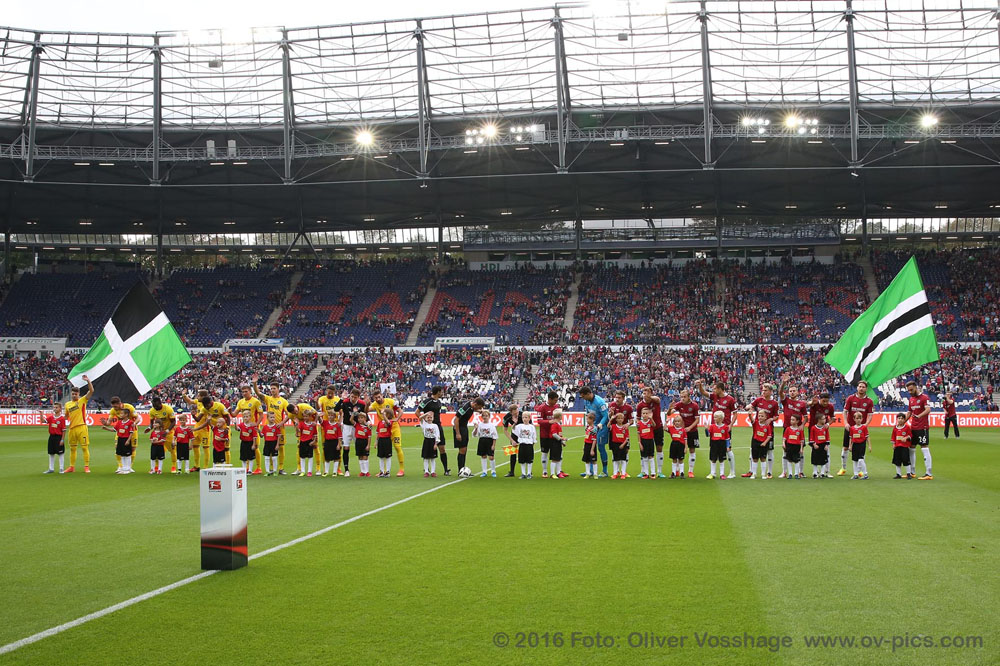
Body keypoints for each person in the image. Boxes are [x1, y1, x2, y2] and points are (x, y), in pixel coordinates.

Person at [697, 380, 738, 479]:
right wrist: (700, 385)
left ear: (720, 389)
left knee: (728, 449)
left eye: (715, 388)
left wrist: (731, 425)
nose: (713, 390)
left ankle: (732, 472)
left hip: (725, 428)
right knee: (714, 449)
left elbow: (735, 413)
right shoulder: (714, 396)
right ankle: (713, 472)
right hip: (714, 428)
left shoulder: (730, 399)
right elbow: (703, 392)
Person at [252, 376, 291, 474]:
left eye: (274, 388)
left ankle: (281, 468)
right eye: (271, 388)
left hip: (279, 427)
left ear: (278, 389)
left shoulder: (283, 401)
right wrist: (255, 383)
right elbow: (258, 393)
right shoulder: (268, 399)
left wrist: (282, 423)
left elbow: (289, 414)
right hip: (268, 428)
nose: (272, 390)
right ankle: (271, 468)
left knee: (281, 447)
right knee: (269, 447)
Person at [744, 384, 779, 478]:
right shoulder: (759, 400)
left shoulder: (774, 403)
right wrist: (748, 407)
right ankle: (751, 471)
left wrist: (771, 419)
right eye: (763, 390)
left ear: (770, 391)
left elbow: (777, 416)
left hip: (768, 430)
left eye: (765, 390)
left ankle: (769, 472)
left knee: (769, 451)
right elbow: (750, 406)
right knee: (753, 450)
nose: (763, 392)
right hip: (757, 429)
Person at [840, 381, 873, 476]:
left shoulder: (869, 401)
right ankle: (843, 468)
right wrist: (846, 423)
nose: (861, 388)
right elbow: (845, 411)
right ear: (857, 387)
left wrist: (865, 425)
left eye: (863, 387)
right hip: (850, 427)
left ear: (866, 389)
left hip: (861, 429)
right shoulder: (850, 398)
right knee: (846, 447)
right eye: (860, 386)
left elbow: (870, 415)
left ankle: (860, 470)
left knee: (860, 449)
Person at [778, 376, 808, 479]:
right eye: (790, 391)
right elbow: (780, 392)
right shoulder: (786, 401)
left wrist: (802, 425)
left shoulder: (802, 404)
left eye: (794, 391)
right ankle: (784, 472)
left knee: (800, 451)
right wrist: (783, 383)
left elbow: (805, 417)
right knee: (785, 451)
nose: (792, 392)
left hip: (798, 431)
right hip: (787, 429)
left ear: (798, 392)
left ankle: (800, 472)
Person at [370, 388, 404, 477]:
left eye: (379, 397)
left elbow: (400, 411)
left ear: (382, 395)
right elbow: (367, 410)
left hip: (394, 428)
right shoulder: (374, 404)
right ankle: (383, 471)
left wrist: (397, 419)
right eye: (376, 398)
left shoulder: (390, 401)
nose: (378, 399)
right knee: (383, 450)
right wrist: (366, 403)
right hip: (384, 429)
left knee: (397, 447)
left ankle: (401, 469)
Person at [64, 374, 94, 474]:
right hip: (72, 429)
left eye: (75, 394)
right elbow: (66, 416)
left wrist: (88, 381)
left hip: (82, 427)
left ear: (78, 394)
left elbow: (91, 391)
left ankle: (86, 467)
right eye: (73, 394)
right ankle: (71, 467)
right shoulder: (67, 404)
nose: (74, 395)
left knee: (84, 447)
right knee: (72, 449)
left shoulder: (82, 400)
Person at [669, 389, 700, 478]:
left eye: (684, 397)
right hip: (681, 431)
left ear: (689, 397)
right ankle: (677, 470)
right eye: (681, 397)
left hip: (693, 431)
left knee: (692, 450)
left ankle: (690, 471)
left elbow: (697, 420)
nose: (682, 398)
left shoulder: (694, 406)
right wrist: (669, 409)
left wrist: (690, 428)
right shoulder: (679, 404)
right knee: (678, 451)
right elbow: (670, 413)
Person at [579, 387, 610, 477]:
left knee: (600, 446)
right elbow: (589, 413)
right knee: (589, 445)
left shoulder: (600, 402)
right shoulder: (586, 401)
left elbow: (605, 416)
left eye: (583, 396)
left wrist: (600, 424)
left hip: (602, 427)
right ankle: (590, 470)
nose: (583, 398)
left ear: (588, 394)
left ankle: (605, 471)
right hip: (593, 427)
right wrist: (589, 424)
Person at [906, 380, 933, 480]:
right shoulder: (911, 399)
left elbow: (928, 409)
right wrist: (902, 422)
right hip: (913, 427)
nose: (910, 392)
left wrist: (919, 416)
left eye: (911, 390)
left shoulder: (924, 397)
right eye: (908, 390)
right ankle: (912, 472)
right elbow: (909, 412)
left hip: (922, 427)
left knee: (924, 447)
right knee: (911, 448)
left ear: (916, 387)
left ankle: (928, 473)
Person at [233, 385, 264, 475]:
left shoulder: (256, 401)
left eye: (246, 391)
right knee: (246, 449)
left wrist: (256, 424)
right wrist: (230, 411)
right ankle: (247, 468)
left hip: (253, 429)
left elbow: (261, 415)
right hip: (245, 428)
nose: (244, 393)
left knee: (255, 447)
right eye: (243, 392)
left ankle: (258, 468)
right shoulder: (240, 402)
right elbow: (234, 414)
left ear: (250, 391)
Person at [452, 395, 486, 476]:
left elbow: (474, 409)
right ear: (475, 404)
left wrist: (479, 411)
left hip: (464, 427)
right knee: (462, 449)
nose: (479, 409)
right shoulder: (465, 408)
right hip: (459, 428)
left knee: (464, 449)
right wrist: (458, 433)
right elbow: (456, 419)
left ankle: (462, 470)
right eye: (479, 407)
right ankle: (460, 471)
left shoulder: (471, 407)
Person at [416, 386, 445, 476]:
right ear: (438, 392)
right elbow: (417, 412)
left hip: (438, 426)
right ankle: (427, 470)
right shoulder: (426, 401)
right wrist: (425, 421)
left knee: (442, 448)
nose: (442, 393)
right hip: (429, 429)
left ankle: (445, 469)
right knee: (428, 450)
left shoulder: (439, 402)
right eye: (441, 392)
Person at [636, 386, 664, 477]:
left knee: (659, 448)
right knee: (643, 450)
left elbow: (658, 399)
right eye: (644, 393)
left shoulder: (655, 401)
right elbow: (638, 418)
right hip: (646, 430)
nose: (645, 395)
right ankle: (643, 471)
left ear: (651, 394)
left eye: (647, 393)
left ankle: (659, 471)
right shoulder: (640, 405)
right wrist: (638, 424)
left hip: (657, 427)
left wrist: (649, 396)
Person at [106, 396, 139, 473]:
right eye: (113, 406)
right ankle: (120, 466)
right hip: (121, 431)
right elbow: (109, 422)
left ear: (120, 403)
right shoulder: (113, 410)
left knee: (133, 448)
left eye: (115, 406)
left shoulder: (129, 407)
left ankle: (129, 467)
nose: (114, 408)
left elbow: (138, 418)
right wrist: (105, 423)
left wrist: (134, 424)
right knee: (117, 447)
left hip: (132, 431)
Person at [338, 389, 366, 476]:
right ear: (350, 395)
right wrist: (341, 399)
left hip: (356, 426)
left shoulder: (362, 403)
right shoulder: (345, 402)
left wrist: (367, 422)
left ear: (358, 397)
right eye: (352, 396)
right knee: (346, 448)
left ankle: (363, 471)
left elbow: (365, 414)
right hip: (346, 426)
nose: (353, 399)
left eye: (355, 397)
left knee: (359, 447)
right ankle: (346, 470)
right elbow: (336, 409)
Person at [147, 394, 177, 473]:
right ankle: (156, 467)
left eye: (156, 406)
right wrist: (149, 428)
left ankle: (174, 466)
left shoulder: (168, 409)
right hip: (159, 433)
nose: (155, 408)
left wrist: (167, 431)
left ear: (160, 403)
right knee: (157, 449)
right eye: (154, 406)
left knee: (172, 449)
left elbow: (173, 422)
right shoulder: (152, 410)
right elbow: (151, 422)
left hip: (169, 432)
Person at [316, 384, 341, 478]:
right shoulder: (322, 399)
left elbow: (341, 412)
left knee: (338, 449)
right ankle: (325, 470)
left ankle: (338, 469)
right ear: (326, 391)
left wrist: (340, 421)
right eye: (329, 392)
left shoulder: (337, 399)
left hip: (335, 426)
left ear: (334, 392)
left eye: (332, 393)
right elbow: (318, 406)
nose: (330, 394)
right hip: (325, 426)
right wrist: (316, 402)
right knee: (325, 449)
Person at [535, 391, 561, 478]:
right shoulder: (541, 408)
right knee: (544, 452)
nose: (556, 402)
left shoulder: (556, 407)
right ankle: (545, 471)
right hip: (545, 435)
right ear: (549, 399)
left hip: (554, 434)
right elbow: (539, 421)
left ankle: (558, 471)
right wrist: (549, 421)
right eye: (555, 400)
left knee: (557, 453)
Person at [748, 409, 774, 480]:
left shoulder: (767, 426)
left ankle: (763, 474)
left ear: (766, 417)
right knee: (755, 458)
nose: (760, 417)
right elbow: (751, 419)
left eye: (762, 416)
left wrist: (765, 442)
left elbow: (769, 436)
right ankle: (754, 473)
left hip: (764, 443)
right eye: (759, 416)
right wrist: (749, 414)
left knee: (763, 458)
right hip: (755, 442)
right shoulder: (756, 423)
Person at [473, 408, 499, 478]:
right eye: (483, 416)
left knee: (491, 457)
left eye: (486, 416)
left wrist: (493, 445)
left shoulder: (492, 425)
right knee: (483, 456)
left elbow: (494, 436)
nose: (485, 417)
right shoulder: (480, 425)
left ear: (489, 416)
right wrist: (475, 428)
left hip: (489, 441)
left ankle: (493, 471)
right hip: (482, 441)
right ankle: (484, 471)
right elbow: (475, 434)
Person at [706, 410, 730, 480]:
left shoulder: (725, 427)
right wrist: (706, 429)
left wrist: (728, 446)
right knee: (713, 459)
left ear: (720, 419)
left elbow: (727, 438)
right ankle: (712, 473)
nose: (714, 419)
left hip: (722, 444)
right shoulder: (712, 426)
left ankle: (722, 474)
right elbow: (708, 435)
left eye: (716, 417)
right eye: (714, 417)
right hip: (714, 444)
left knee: (721, 459)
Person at [512, 411, 537, 479]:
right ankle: (523, 473)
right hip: (522, 445)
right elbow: (513, 429)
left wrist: (533, 443)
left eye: (526, 417)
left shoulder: (532, 427)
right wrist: (514, 423)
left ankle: (529, 473)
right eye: (523, 417)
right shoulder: (519, 426)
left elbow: (534, 436)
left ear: (529, 418)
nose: (524, 419)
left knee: (529, 460)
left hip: (529, 445)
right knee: (522, 460)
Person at [44, 403, 67, 474]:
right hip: (51, 437)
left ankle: (61, 468)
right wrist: (41, 414)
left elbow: (64, 430)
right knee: (51, 453)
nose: (55, 409)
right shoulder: (51, 418)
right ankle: (51, 468)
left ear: (60, 409)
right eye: (54, 407)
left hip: (58, 437)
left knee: (60, 453)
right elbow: (42, 421)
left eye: (56, 407)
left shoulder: (62, 419)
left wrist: (62, 439)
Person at [236, 409, 259, 475]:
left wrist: (254, 444)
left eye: (247, 416)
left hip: (250, 443)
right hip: (243, 442)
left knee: (251, 457)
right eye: (244, 417)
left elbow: (254, 436)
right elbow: (237, 429)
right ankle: (244, 470)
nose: (245, 418)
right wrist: (235, 424)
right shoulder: (241, 425)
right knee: (243, 457)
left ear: (250, 417)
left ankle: (250, 470)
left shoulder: (252, 426)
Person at [295, 409, 318, 477]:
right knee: (302, 457)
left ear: (310, 416)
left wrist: (313, 441)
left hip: (310, 442)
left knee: (310, 457)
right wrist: (296, 426)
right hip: (302, 442)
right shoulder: (301, 423)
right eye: (304, 416)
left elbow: (315, 435)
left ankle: (309, 471)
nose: (305, 418)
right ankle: (303, 471)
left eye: (306, 416)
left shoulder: (313, 425)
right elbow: (298, 431)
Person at [781, 414, 805, 480]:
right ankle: (790, 474)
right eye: (791, 419)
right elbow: (784, 438)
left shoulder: (800, 430)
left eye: (793, 420)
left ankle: (796, 473)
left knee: (796, 460)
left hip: (796, 446)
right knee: (789, 460)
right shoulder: (788, 429)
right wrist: (783, 444)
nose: (791, 421)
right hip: (789, 446)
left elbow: (801, 440)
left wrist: (801, 448)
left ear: (797, 421)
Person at [320, 410, 343, 477]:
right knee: (327, 457)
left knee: (336, 457)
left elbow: (340, 436)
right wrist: (319, 416)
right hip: (327, 442)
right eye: (329, 415)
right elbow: (320, 421)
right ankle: (326, 472)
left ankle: (335, 472)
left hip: (335, 442)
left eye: (332, 415)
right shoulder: (325, 423)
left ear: (334, 416)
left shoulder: (337, 425)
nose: (330, 416)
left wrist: (339, 444)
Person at [890, 412, 913, 479]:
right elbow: (893, 437)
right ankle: (898, 474)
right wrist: (893, 444)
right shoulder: (895, 428)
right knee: (897, 460)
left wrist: (906, 438)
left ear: (904, 420)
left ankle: (908, 473)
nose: (900, 420)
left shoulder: (907, 427)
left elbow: (910, 435)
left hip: (904, 446)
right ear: (897, 419)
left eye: (902, 418)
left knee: (906, 460)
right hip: (897, 446)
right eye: (899, 418)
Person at [376, 406, 397, 478]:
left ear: (388, 414)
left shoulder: (390, 421)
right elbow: (378, 432)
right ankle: (381, 471)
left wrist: (383, 414)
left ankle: (387, 471)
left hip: (387, 440)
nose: (383, 414)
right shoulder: (380, 422)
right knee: (381, 456)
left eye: (385, 413)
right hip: (381, 440)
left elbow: (387, 423)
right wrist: (376, 441)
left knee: (388, 456)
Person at [808, 413, 831, 478]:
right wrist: (813, 444)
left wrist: (826, 445)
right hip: (816, 445)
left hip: (823, 445)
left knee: (823, 459)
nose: (825, 420)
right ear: (819, 420)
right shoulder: (813, 428)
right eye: (823, 419)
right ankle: (815, 472)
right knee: (815, 459)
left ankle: (822, 473)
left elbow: (827, 437)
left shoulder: (825, 428)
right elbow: (811, 437)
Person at [848, 412, 869, 480]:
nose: (858, 420)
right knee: (855, 460)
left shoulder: (864, 427)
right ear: (854, 419)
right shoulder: (852, 428)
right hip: (855, 445)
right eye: (857, 418)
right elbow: (851, 438)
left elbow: (867, 437)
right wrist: (850, 446)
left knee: (861, 459)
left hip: (862, 444)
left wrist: (869, 445)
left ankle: (865, 474)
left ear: (862, 419)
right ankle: (855, 474)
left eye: (860, 418)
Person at [418, 412, 441, 477]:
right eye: (428, 417)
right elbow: (420, 418)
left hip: (433, 441)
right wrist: (426, 414)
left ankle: (433, 471)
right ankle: (426, 471)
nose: (429, 419)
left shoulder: (435, 425)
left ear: (433, 418)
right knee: (426, 458)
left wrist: (436, 444)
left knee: (432, 458)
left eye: (431, 417)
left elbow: (437, 435)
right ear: (426, 418)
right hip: (426, 441)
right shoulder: (424, 424)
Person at [548, 408, 568, 479]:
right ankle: (552, 473)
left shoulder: (558, 424)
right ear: (559, 416)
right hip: (554, 443)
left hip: (558, 442)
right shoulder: (554, 425)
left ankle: (559, 472)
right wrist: (562, 439)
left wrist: (562, 442)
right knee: (555, 459)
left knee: (559, 458)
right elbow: (554, 434)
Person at [609, 411, 630, 479]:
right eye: (618, 418)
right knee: (616, 460)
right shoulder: (613, 426)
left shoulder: (625, 427)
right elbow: (608, 426)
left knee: (623, 460)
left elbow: (627, 438)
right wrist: (611, 419)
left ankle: (623, 473)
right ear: (616, 419)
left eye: (621, 418)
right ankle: (615, 473)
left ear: (623, 419)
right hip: (615, 444)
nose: (620, 419)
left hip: (623, 444)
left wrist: (623, 444)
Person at [636, 407, 656, 480]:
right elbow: (638, 433)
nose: (645, 415)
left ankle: (653, 473)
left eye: (646, 413)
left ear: (649, 414)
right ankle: (646, 473)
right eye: (643, 413)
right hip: (643, 441)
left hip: (650, 441)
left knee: (651, 457)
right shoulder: (639, 423)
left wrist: (651, 418)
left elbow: (654, 425)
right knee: (644, 457)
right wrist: (639, 443)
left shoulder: (650, 422)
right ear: (641, 414)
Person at [501, 404, 520, 478]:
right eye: (515, 412)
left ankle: (528, 472)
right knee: (513, 453)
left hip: (524, 435)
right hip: (514, 435)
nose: (516, 413)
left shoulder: (523, 415)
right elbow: (505, 430)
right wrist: (512, 440)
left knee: (524, 453)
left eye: (517, 411)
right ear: (511, 412)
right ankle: (512, 471)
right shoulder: (506, 417)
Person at [666, 415, 687, 479]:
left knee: (681, 459)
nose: (677, 422)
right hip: (674, 444)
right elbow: (664, 428)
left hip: (681, 445)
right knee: (674, 459)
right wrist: (666, 422)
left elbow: (685, 439)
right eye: (676, 421)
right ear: (673, 422)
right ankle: (673, 473)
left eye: (678, 421)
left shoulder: (683, 430)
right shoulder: (671, 428)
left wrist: (686, 447)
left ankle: (682, 473)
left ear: (681, 422)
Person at [353, 412, 372, 477]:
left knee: (365, 457)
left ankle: (367, 471)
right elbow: (351, 420)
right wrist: (354, 413)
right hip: (358, 442)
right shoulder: (357, 425)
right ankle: (362, 471)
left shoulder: (368, 427)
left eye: (362, 418)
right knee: (360, 456)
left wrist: (368, 445)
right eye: (359, 418)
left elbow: (369, 437)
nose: (360, 419)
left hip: (365, 442)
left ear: (365, 418)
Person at [581, 412, 599, 479]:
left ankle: (595, 474)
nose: (587, 420)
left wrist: (592, 450)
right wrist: (584, 445)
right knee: (587, 460)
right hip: (586, 444)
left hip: (591, 445)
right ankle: (587, 473)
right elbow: (586, 437)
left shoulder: (594, 429)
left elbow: (594, 440)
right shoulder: (587, 427)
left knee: (594, 460)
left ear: (592, 420)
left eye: (588, 419)